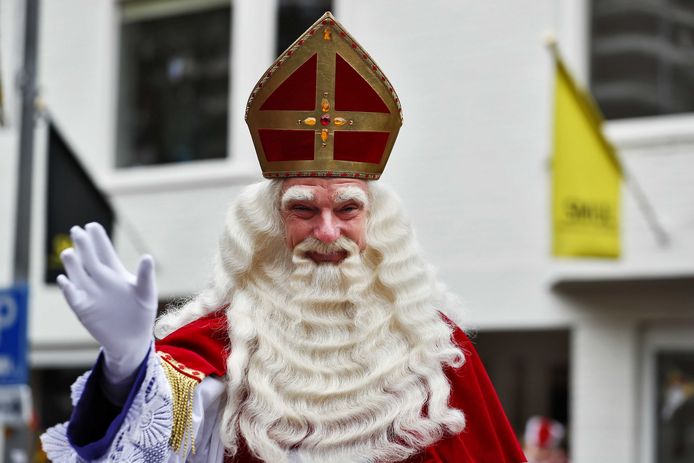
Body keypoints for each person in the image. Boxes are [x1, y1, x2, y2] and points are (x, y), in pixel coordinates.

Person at [41, 12, 526, 463]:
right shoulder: (225, 343)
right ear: (270, 222)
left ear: (375, 220)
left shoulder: (434, 347)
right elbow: (156, 430)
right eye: (304, 209)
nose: (327, 231)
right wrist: (127, 363)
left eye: (348, 209)